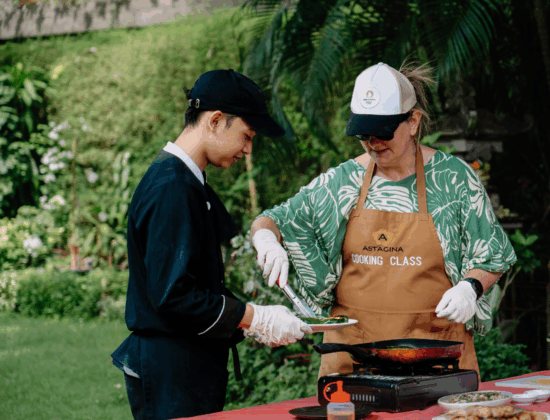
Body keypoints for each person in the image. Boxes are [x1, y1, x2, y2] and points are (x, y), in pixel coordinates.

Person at [250, 62, 517, 379]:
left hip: (434, 355)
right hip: (352, 357)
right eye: (364, 132)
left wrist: (470, 288)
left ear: (413, 121)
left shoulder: (453, 179)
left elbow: (495, 255)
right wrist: (267, 240)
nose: (373, 141)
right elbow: (271, 219)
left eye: (383, 131)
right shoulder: (343, 181)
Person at [111, 69, 312, 420]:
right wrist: (254, 318)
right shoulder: (172, 187)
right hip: (171, 369)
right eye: (246, 136)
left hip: (187, 365)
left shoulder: (189, 179)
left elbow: (197, 281)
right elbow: (174, 296)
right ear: (216, 121)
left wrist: (245, 320)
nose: (248, 150)